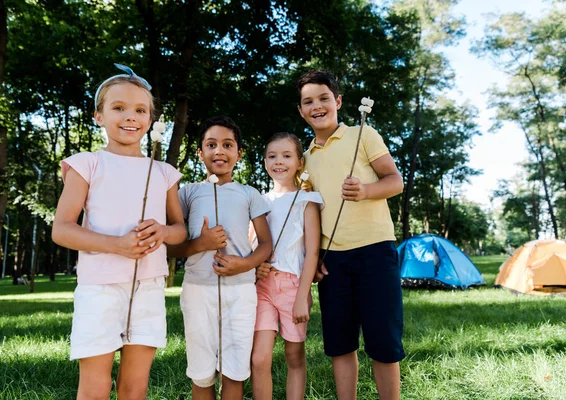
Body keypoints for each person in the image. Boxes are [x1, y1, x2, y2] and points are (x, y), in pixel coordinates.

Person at [52, 64, 187, 400]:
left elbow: (180, 230)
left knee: (135, 386)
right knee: (96, 384)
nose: (131, 117)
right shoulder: (87, 164)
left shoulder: (164, 172)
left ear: (151, 120)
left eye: (141, 110)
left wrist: (163, 232)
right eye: (118, 108)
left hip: (149, 286)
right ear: (99, 116)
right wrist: (117, 245)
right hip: (101, 288)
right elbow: (62, 229)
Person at [296, 69, 405, 400]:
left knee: (383, 342)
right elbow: (307, 214)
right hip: (333, 262)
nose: (317, 106)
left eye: (324, 98)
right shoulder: (304, 160)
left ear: (338, 101)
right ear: (301, 111)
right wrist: (311, 260)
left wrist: (366, 190)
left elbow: (395, 180)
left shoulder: (364, 134)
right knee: (340, 343)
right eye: (308, 102)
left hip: (375, 252)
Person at [167, 116, 272, 400]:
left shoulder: (249, 194)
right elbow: (171, 247)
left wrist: (246, 263)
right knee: (201, 371)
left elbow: (265, 244)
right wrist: (201, 243)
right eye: (211, 145)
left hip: (240, 292)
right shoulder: (187, 193)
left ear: (239, 153)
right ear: (200, 153)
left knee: (234, 369)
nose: (219, 151)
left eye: (227, 145)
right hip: (198, 291)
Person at [251, 132, 322, 400]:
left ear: (300, 163)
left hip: (294, 286)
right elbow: (253, 246)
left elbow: (313, 251)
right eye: (272, 156)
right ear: (265, 161)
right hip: (263, 288)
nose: (278, 161)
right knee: (259, 359)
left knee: (294, 356)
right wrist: (255, 266)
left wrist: (303, 295)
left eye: (286, 155)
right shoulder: (258, 202)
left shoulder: (307, 200)